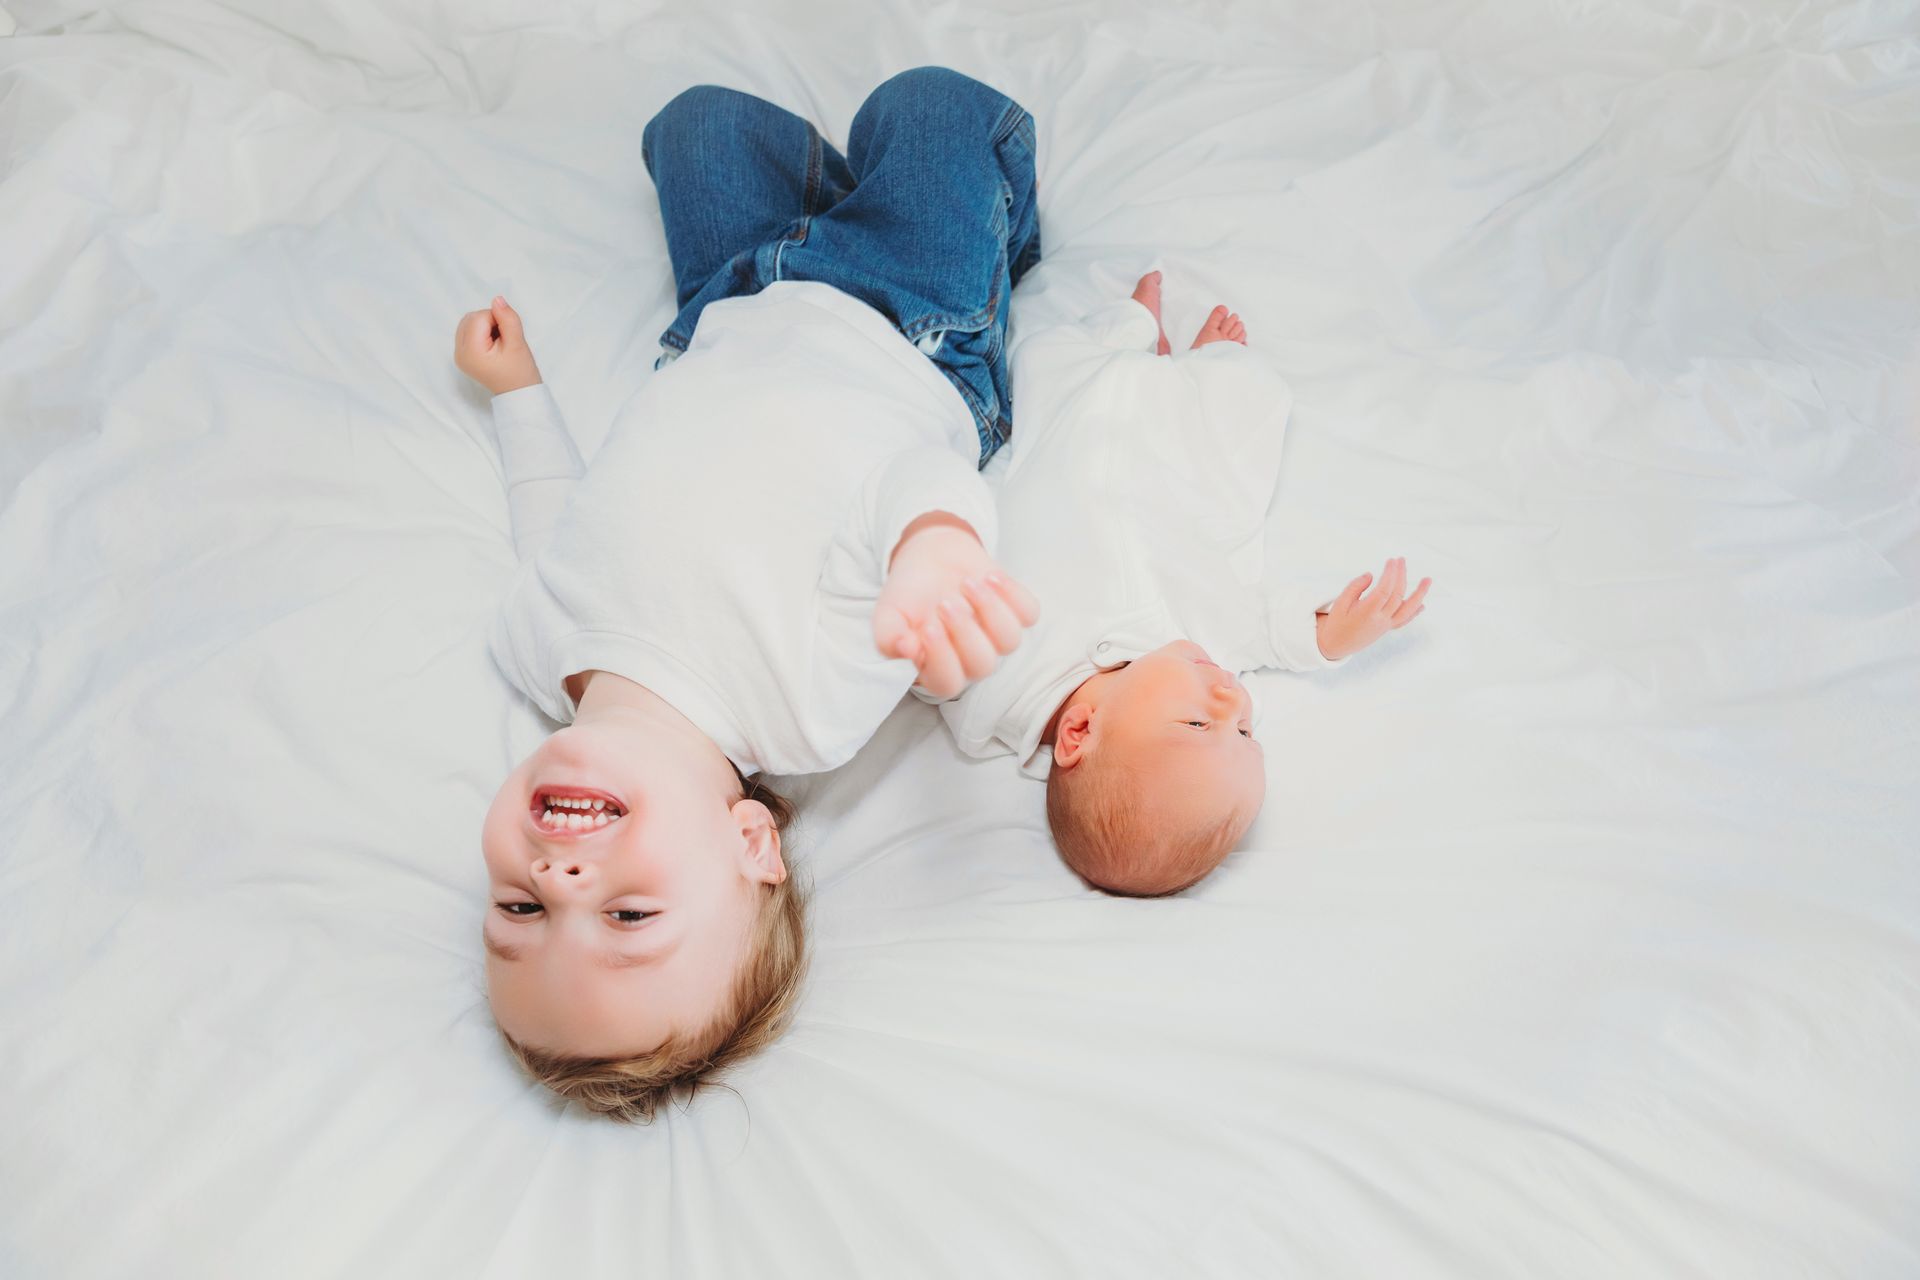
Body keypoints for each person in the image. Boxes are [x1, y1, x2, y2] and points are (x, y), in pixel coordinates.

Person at [454, 68, 1043, 1120]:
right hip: (908, 330)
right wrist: (934, 548)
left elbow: (548, 514)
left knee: (696, 126)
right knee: (931, 108)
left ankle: (831, 199)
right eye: (629, 916)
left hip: (730, 310)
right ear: (748, 845)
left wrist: (518, 395)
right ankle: (982, 224)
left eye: (518, 905)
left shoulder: (538, 644)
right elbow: (913, 477)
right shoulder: (801, 704)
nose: (563, 880)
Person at [938, 271, 1429, 896]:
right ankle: (1196, 368)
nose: (1234, 702)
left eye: (1199, 725)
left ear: (1078, 732)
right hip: (1164, 467)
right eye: (1248, 733)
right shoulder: (1190, 647)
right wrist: (1333, 636)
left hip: (1070, 431)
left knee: (1049, 365)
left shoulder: (993, 687)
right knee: (1228, 420)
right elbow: (1258, 628)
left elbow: (926, 635)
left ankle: (1136, 327)